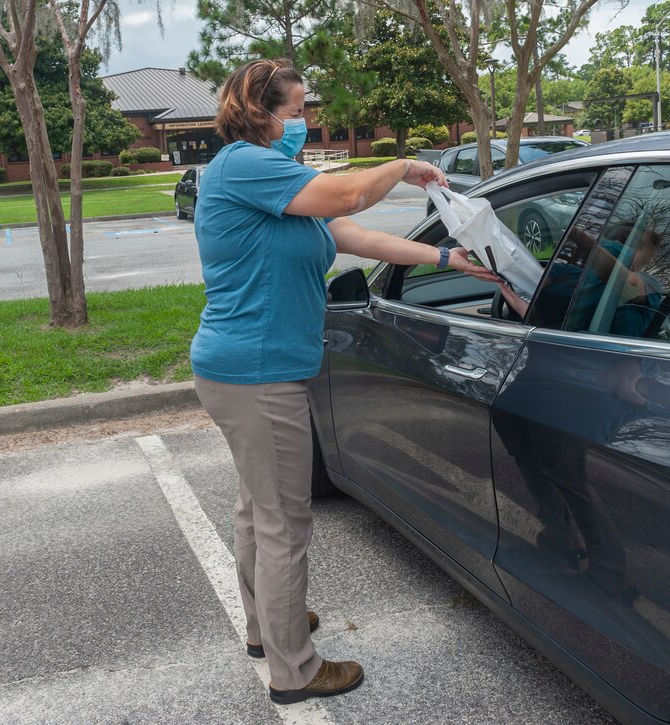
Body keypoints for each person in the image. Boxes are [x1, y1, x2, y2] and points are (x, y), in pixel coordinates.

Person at [189, 58, 498, 706]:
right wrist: (405, 167)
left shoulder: (276, 179)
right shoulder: (247, 166)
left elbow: (353, 232)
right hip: (258, 372)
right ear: (260, 110)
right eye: (298, 110)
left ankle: (264, 625)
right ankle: (294, 668)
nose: (306, 122)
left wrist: (446, 258)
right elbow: (353, 195)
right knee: (283, 523)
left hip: (247, 368)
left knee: (257, 509)